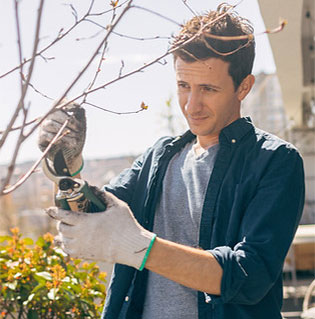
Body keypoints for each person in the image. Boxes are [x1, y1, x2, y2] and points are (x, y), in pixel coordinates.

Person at [39, 3, 305, 319]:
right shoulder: (159, 157)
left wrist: (140, 247)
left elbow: (251, 275)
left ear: (243, 86)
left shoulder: (275, 162)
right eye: (183, 86)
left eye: (208, 88)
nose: (192, 105)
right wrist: (66, 171)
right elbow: (97, 215)